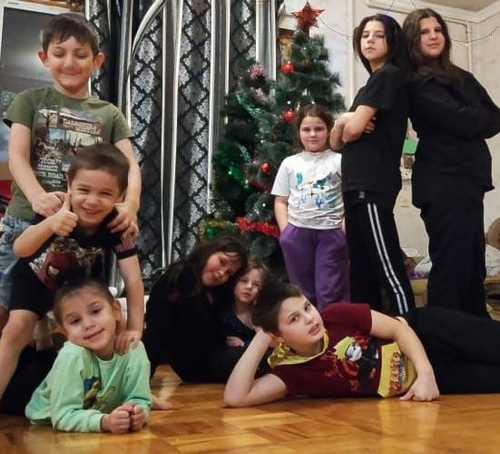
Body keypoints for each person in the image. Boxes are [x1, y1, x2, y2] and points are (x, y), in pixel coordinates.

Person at [0, 12, 142, 330]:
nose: (70, 62)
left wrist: (130, 204)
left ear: (97, 61)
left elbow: (130, 165)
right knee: (7, 309)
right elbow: (17, 157)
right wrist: (37, 197)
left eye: (80, 54)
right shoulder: (29, 101)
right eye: (59, 53)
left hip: (79, 232)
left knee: (71, 314)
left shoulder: (109, 113)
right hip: (26, 220)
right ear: (44, 58)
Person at [0, 143, 144, 404]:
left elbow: (133, 280)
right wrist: (50, 224)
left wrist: (135, 328)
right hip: (35, 277)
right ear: (69, 184)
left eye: (105, 193)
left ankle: (128, 394)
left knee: (114, 327)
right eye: (84, 190)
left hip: (81, 286)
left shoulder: (118, 225)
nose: (92, 201)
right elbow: (20, 248)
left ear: (120, 196)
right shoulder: (56, 206)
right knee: (16, 329)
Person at [224, 281, 500, 408]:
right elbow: (236, 398)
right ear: (278, 336)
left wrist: (426, 373)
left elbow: (398, 329)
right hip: (431, 377)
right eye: (294, 319)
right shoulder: (292, 373)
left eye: (307, 307)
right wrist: (262, 337)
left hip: (426, 334)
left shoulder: (336, 315)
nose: (310, 318)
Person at [402, 9, 500, 316]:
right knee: (452, 265)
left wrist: (471, 118)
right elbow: (466, 120)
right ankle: (443, 335)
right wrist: (472, 117)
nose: (433, 36)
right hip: (442, 181)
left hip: (471, 181)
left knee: (473, 264)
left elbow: (494, 118)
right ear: (412, 40)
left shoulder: (463, 77)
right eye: (424, 31)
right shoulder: (415, 81)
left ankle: (474, 331)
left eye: (438, 30)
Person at [329, 14, 414, 315]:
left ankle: (410, 329)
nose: (370, 40)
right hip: (355, 185)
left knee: (387, 265)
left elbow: (351, 132)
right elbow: (336, 142)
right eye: (365, 35)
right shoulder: (368, 87)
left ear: (392, 42)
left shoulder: (388, 75)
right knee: (361, 269)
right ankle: (371, 335)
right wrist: (345, 120)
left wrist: (347, 121)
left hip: (373, 183)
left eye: (378, 35)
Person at [25, 277, 151, 433]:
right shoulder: (72, 356)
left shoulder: (133, 349)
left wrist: (138, 413)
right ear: (65, 332)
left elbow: (139, 400)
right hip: (43, 413)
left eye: (96, 311)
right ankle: (41, 335)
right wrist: (104, 422)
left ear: (116, 310)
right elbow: (63, 415)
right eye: (75, 321)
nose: (88, 324)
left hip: (94, 406)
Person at [272, 104, 349, 310]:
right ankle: (307, 328)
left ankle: (334, 329)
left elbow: (349, 197)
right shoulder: (290, 163)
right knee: (302, 291)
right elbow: (280, 200)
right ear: (299, 133)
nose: (313, 134)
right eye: (306, 129)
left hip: (330, 233)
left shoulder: (339, 161)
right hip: (297, 234)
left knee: (331, 290)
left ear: (329, 130)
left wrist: (343, 228)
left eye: (319, 129)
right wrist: (286, 232)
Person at [143, 236, 248, 383]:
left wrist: (226, 340)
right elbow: (156, 332)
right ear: (209, 251)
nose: (221, 273)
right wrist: (141, 379)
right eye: (222, 262)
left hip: (213, 357)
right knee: (263, 357)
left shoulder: (214, 292)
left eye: (228, 273)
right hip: (197, 366)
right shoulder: (178, 280)